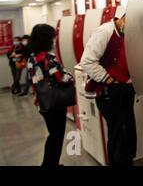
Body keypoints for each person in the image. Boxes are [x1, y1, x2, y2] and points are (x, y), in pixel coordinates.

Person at [80, 11, 136, 166]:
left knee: (127, 132)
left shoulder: (124, 34)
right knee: (118, 135)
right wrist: (110, 80)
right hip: (110, 92)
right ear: (124, 19)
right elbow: (87, 61)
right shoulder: (105, 32)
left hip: (124, 89)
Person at [28, 24, 74, 166]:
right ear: (47, 39)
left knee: (53, 133)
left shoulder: (32, 57)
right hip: (55, 103)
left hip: (42, 101)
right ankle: (50, 163)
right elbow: (62, 78)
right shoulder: (49, 57)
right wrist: (71, 76)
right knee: (57, 136)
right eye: (53, 37)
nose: (54, 40)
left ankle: (50, 162)